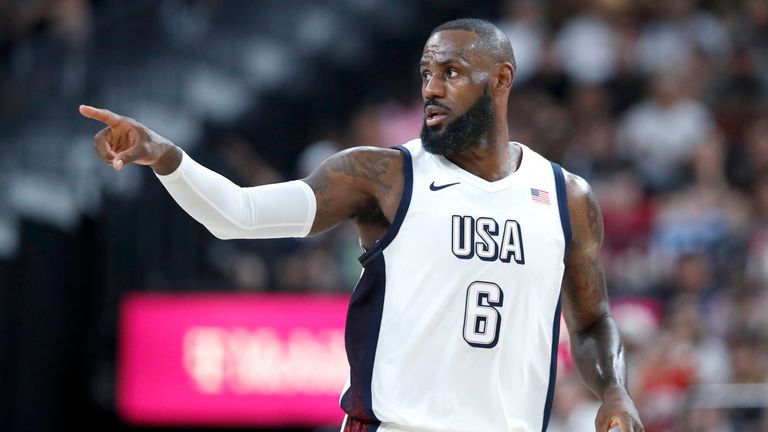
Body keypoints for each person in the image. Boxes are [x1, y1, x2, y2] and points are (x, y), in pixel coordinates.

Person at [80, 18, 643, 432]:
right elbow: (239, 216)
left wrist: (614, 389)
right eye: (426, 73)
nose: (432, 89)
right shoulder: (383, 175)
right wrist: (165, 158)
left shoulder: (566, 198)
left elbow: (592, 322)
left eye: (451, 73)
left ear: (501, 80)